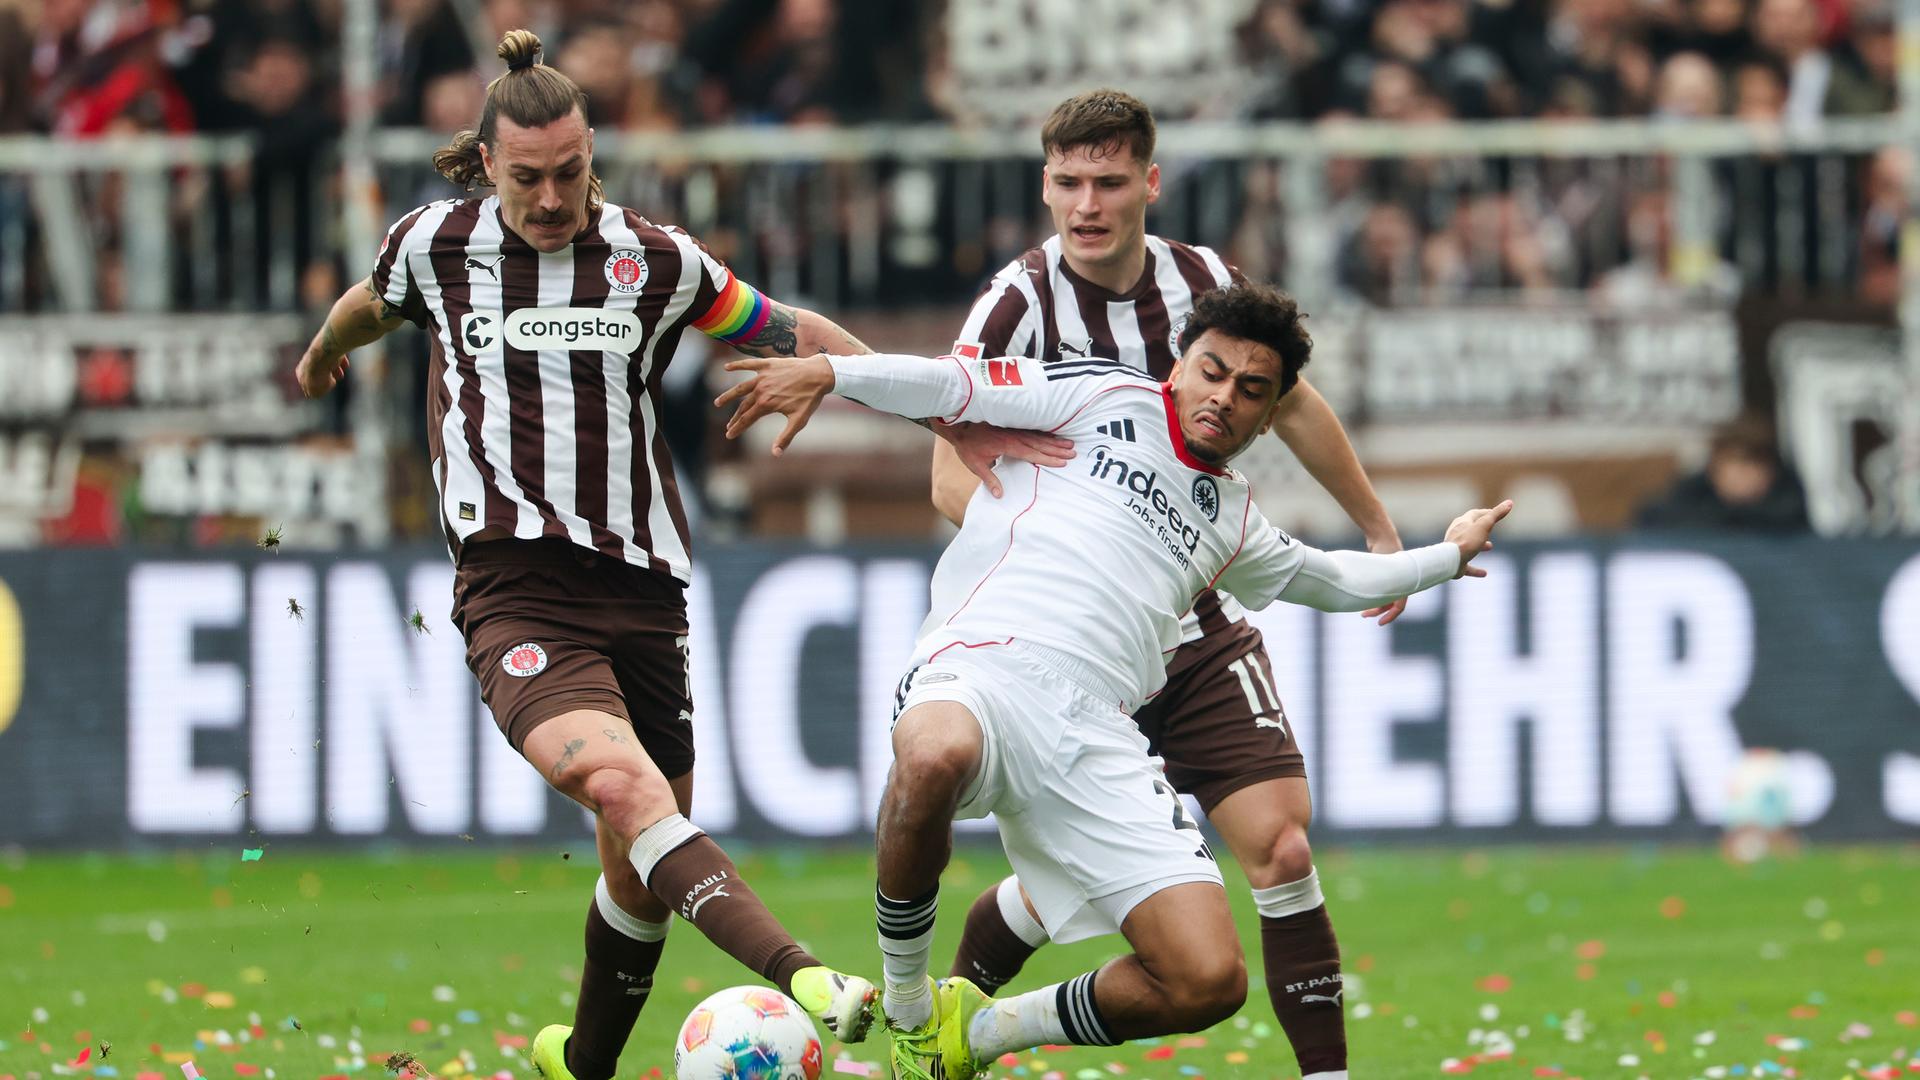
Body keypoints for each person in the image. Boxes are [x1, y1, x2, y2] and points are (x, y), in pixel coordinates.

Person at [290, 30, 965, 1080]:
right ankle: (806, 977)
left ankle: (582, 1065)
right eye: (526, 179)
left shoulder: (655, 260)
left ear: (593, 152)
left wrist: (941, 412)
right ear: (485, 163)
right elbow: (370, 307)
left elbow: (787, 328)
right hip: (515, 590)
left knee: (645, 864)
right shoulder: (433, 244)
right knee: (622, 789)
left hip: (645, 591)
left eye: (570, 173)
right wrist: (326, 350)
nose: (552, 198)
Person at [718, 282, 1511, 1080]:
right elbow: (950, 386)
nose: (1223, 397)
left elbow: (1332, 580)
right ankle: (914, 1011)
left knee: (1208, 979)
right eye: (1212, 370)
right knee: (930, 756)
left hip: (1098, 733)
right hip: (985, 663)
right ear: (1180, 365)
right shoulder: (1099, 393)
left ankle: (980, 1031)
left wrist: (1448, 556)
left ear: (1269, 416)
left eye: (1251, 390)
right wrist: (834, 375)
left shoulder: (1235, 519)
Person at [929, 88, 1400, 1080]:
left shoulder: (1203, 280)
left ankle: (1329, 1075)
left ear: (1150, 182)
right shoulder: (1015, 305)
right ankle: (945, 1034)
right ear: (1045, 184)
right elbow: (945, 472)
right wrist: (1084, 552)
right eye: (1067, 183)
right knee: (1064, 888)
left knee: (1281, 849)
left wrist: (1374, 523)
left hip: (1196, 618)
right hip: (1070, 641)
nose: (1086, 204)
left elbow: (1298, 400)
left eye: (1108, 182)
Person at [1635, 413, 1810, 533]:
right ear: (1715, 469)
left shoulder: (1787, 506)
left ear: (1771, 471)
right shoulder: (1688, 502)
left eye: (1753, 466)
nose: (1744, 476)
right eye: (1736, 465)